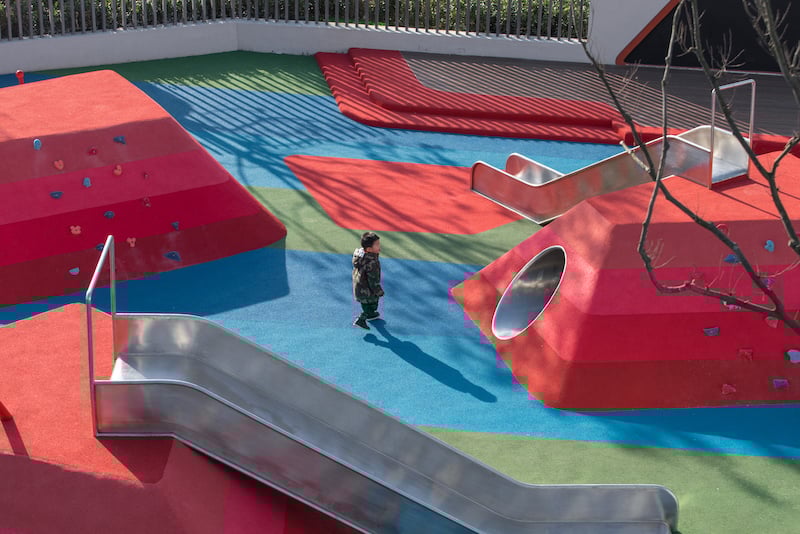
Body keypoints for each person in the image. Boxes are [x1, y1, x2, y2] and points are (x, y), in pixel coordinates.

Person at [352, 232, 384, 330]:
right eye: (377, 244)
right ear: (369, 249)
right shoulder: (372, 262)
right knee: (373, 304)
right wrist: (378, 291)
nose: (379, 246)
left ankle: (369, 314)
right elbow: (373, 279)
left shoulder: (361, 257)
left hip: (359, 287)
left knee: (365, 304)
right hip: (368, 289)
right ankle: (362, 318)